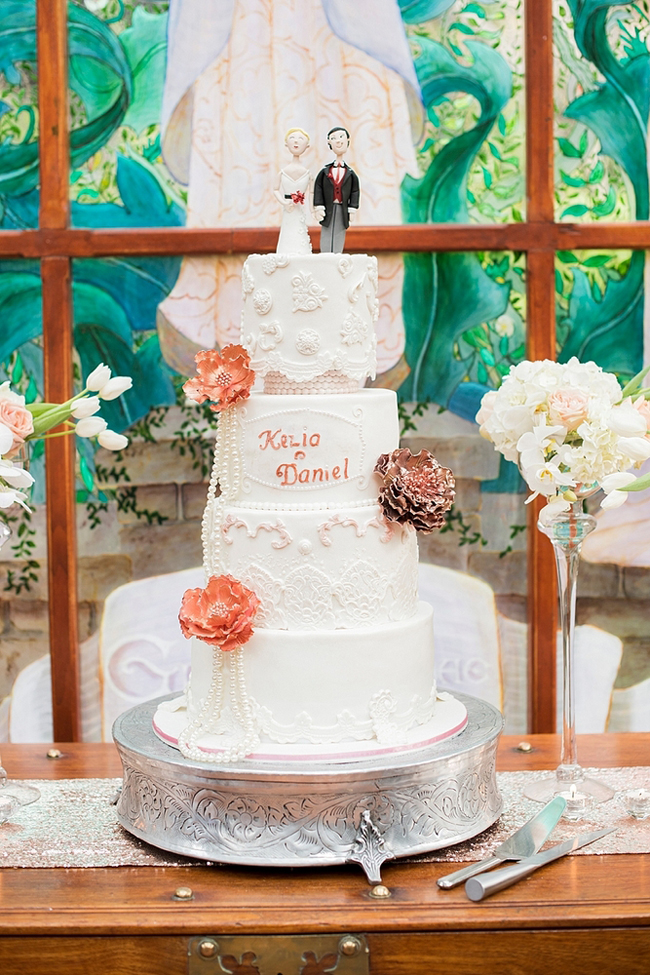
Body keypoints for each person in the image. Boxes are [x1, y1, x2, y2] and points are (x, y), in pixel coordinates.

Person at [313, 126, 359, 253]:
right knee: (327, 229)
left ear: (347, 140)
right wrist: (318, 206)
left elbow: (355, 191)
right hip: (328, 207)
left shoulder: (350, 173)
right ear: (329, 143)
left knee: (339, 230)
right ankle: (326, 254)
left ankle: (337, 254)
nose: (338, 141)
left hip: (342, 207)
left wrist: (353, 208)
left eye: (341, 137)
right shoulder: (324, 171)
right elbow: (318, 188)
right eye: (334, 138)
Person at [273, 128, 312, 255]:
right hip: (288, 208)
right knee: (288, 230)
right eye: (292, 138)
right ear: (286, 144)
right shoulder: (283, 172)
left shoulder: (307, 173)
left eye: (300, 139)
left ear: (307, 146)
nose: (296, 142)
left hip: (299, 208)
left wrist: (314, 210)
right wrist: (284, 202)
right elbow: (275, 189)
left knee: (299, 230)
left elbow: (311, 193)